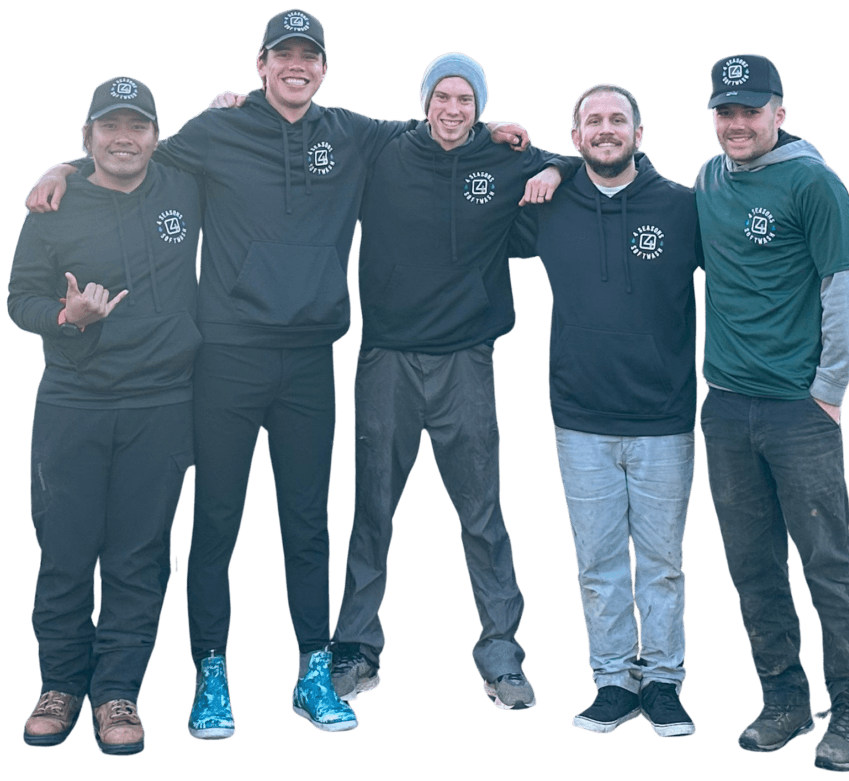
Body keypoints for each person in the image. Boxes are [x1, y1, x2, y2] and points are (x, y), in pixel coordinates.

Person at [25, 10, 530, 737]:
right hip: (226, 358)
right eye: (284, 54)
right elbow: (132, 153)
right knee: (218, 521)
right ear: (260, 63)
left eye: (311, 56)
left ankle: (313, 671)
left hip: (309, 361)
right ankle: (212, 674)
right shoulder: (216, 129)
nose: (298, 65)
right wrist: (63, 168)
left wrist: (507, 136)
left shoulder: (352, 132)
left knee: (307, 523)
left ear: (323, 69)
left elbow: (437, 134)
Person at [327, 53, 574, 710]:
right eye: (444, 97)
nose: (453, 109)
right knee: (373, 507)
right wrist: (236, 102)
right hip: (388, 361)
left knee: (481, 511)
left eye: (466, 100)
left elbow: (572, 166)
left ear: (480, 107)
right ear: (426, 100)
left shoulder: (502, 159)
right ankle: (356, 646)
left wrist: (546, 161)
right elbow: (314, 128)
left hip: (466, 361)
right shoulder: (384, 149)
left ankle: (501, 653)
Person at [695, 53, 849, 772]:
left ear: (778, 112)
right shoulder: (712, 179)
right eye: (725, 110)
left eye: (750, 109)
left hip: (798, 412)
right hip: (725, 409)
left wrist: (829, 391)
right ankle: (783, 699)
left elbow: (848, 289)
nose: (736, 122)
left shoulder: (813, 182)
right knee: (752, 564)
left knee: (827, 561)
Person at [9, 76, 202, 756]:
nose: (124, 137)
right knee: (64, 548)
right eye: (109, 126)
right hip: (73, 402)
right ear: (87, 136)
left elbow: (226, 130)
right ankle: (59, 684)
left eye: (138, 126)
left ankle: (118, 689)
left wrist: (233, 99)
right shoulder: (52, 207)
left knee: (140, 554)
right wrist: (67, 317)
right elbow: (21, 298)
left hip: (161, 404)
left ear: (155, 135)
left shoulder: (183, 184)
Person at [511, 84, 701, 736]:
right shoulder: (549, 204)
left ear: (639, 133)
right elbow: (486, 171)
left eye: (617, 118)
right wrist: (551, 167)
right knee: (597, 563)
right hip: (580, 418)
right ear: (577, 136)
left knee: (662, 564)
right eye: (593, 121)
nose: (606, 129)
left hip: (664, 418)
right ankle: (614, 679)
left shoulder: (681, 208)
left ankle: (665, 681)